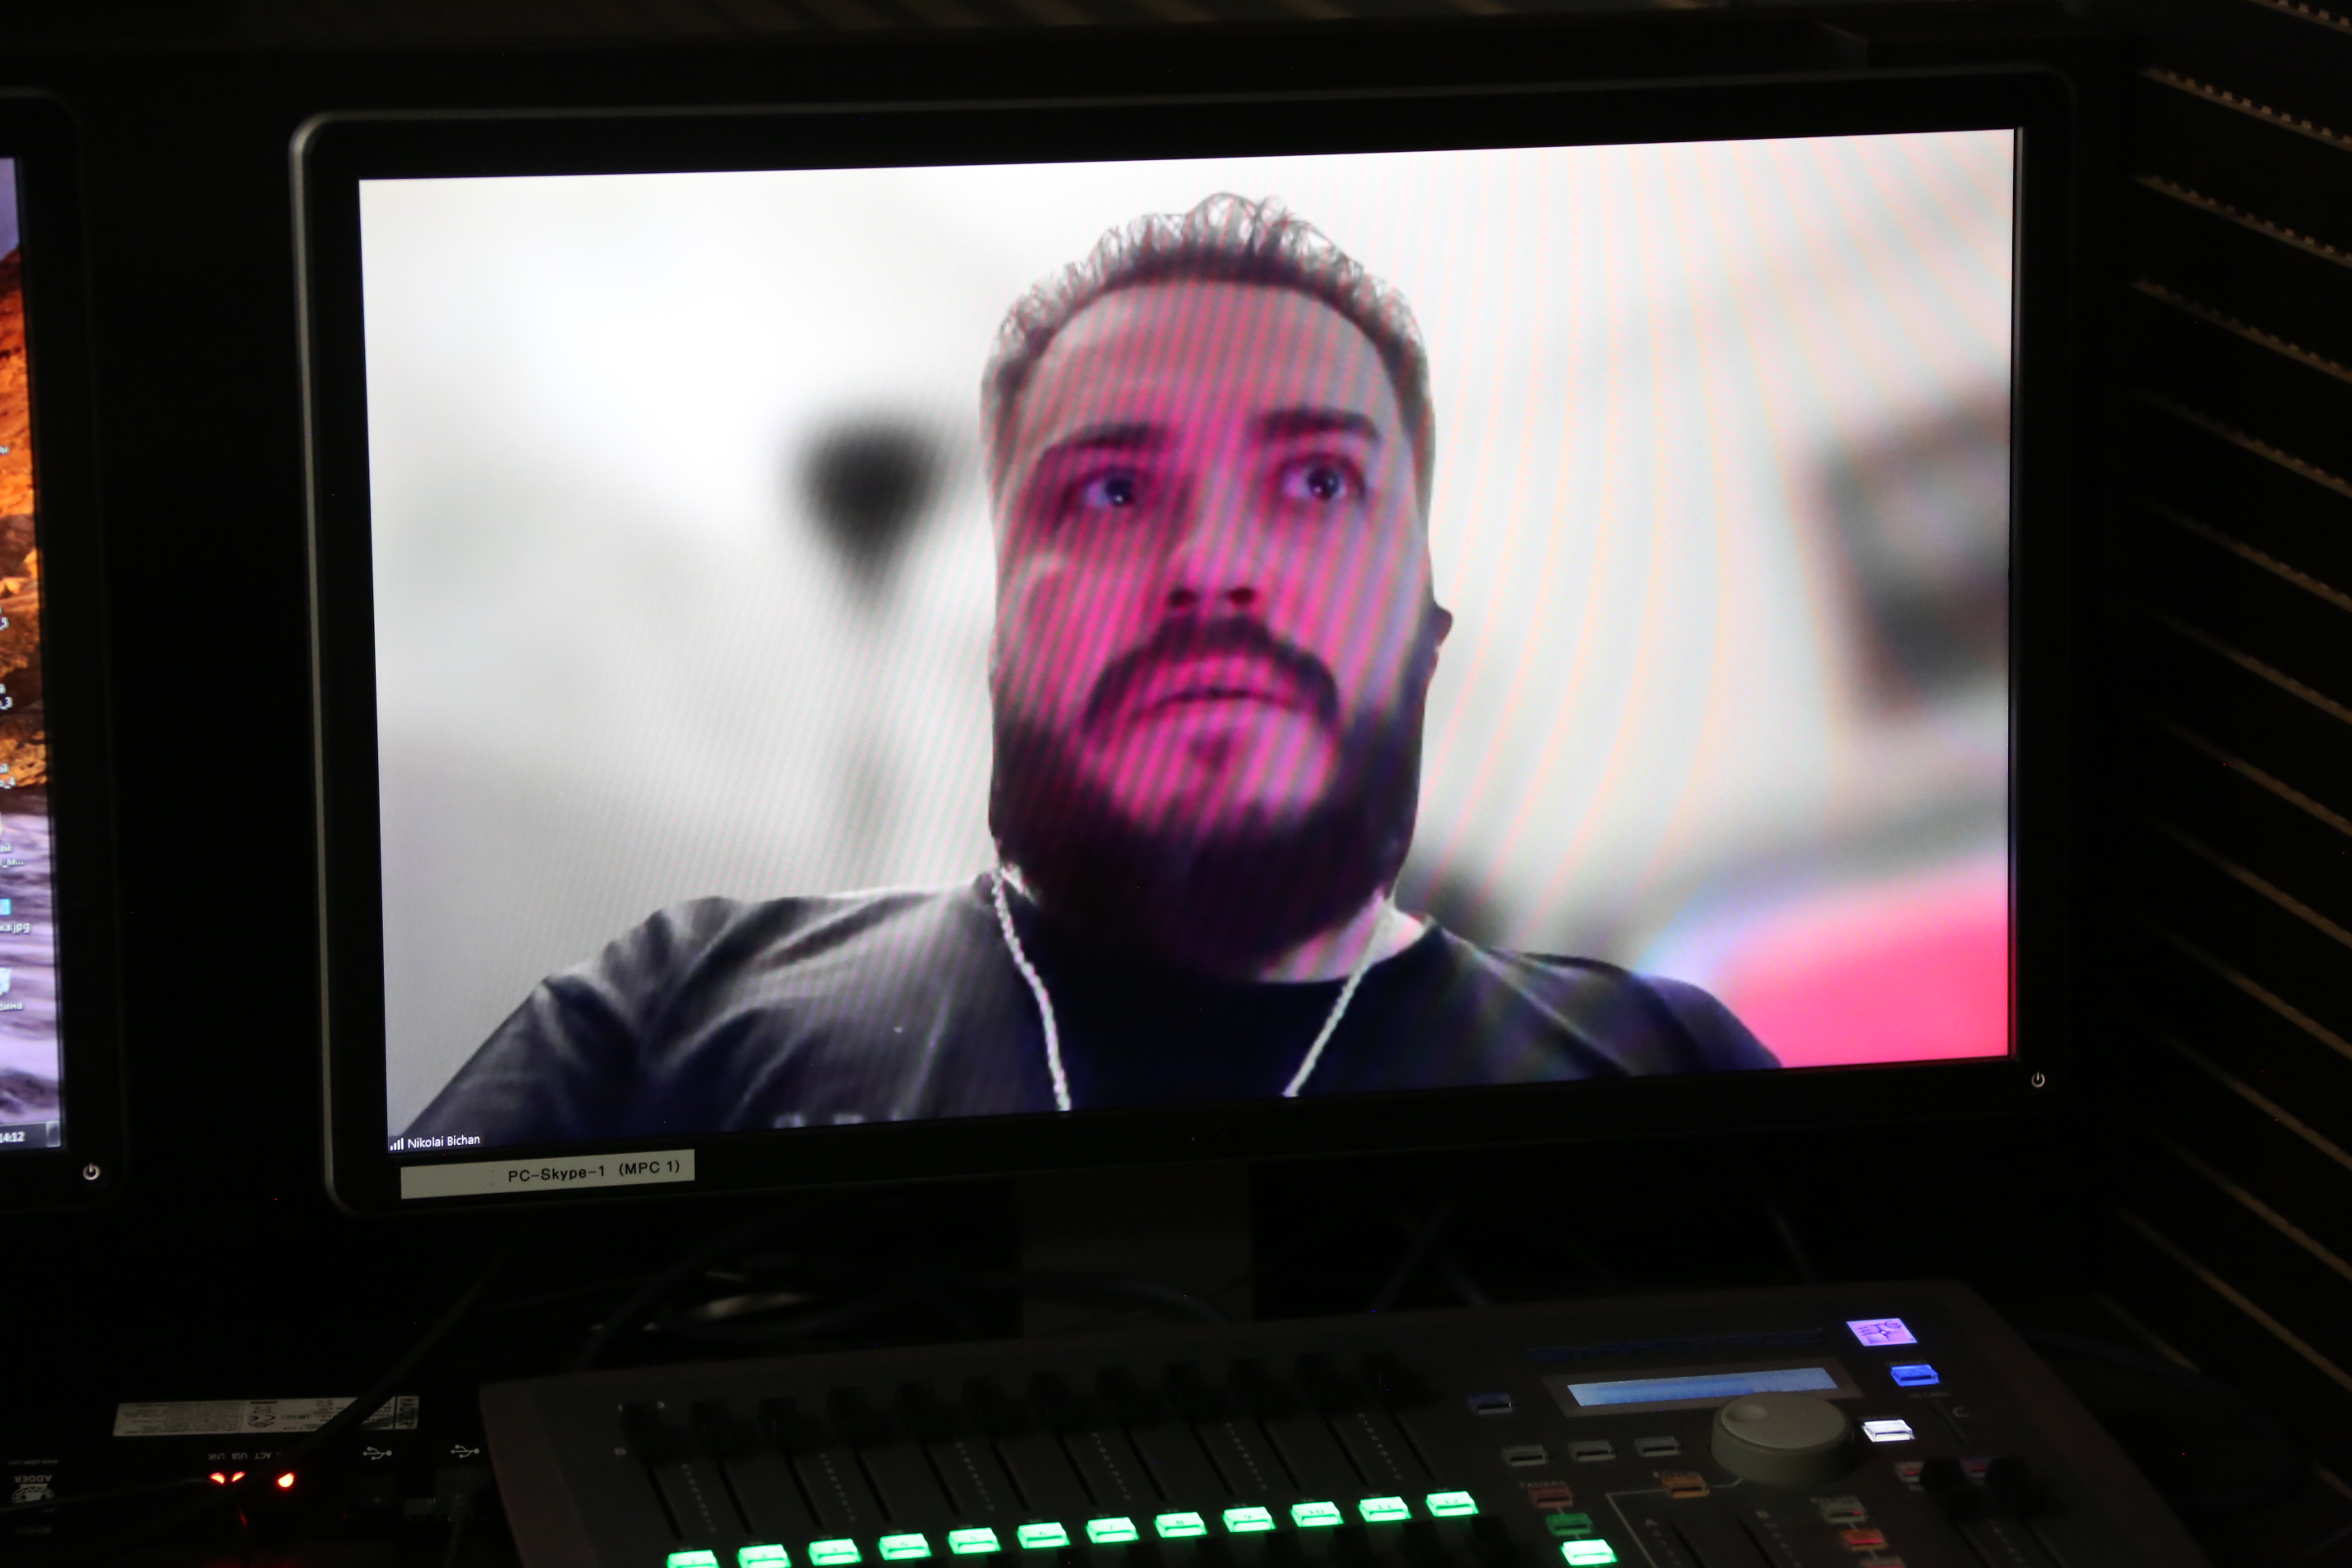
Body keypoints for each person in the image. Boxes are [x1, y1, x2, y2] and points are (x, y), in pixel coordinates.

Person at [405, 194, 1775, 1148]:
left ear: (1426, 622)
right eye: (1112, 492)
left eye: (1316, 482)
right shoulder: (665, 1015)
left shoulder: (1667, 1065)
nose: (1213, 567)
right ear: (1002, 633)